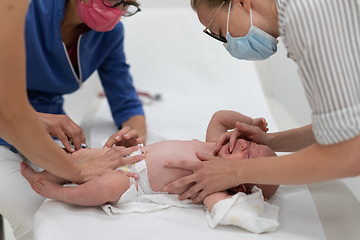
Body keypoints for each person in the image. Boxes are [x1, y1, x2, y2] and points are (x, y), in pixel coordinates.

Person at [163, 0, 360, 204]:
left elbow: (348, 153)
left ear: (242, 3)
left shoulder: (303, 16)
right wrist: (269, 142)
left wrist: (234, 172)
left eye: (221, 32)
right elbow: (344, 126)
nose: (228, 44)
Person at [0, 0, 146, 239]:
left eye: (126, 5)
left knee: (82, 215)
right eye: (113, 1)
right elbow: (10, 113)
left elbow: (125, 98)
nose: (118, 12)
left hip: (52, 133)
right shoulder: (26, 11)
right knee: (38, 223)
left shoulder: (108, 33)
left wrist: (135, 141)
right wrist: (35, 119)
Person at [20, 110, 279, 208]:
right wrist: (247, 124)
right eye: (252, 145)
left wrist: (241, 201)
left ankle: (61, 194)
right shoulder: (215, 143)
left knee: (107, 187)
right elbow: (219, 117)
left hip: (132, 182)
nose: (246, 146)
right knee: (82, 156)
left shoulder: (214, 184)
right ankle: (46, 174)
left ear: (240, 186)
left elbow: (219, 207)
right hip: (126, 156)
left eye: (249, 157)